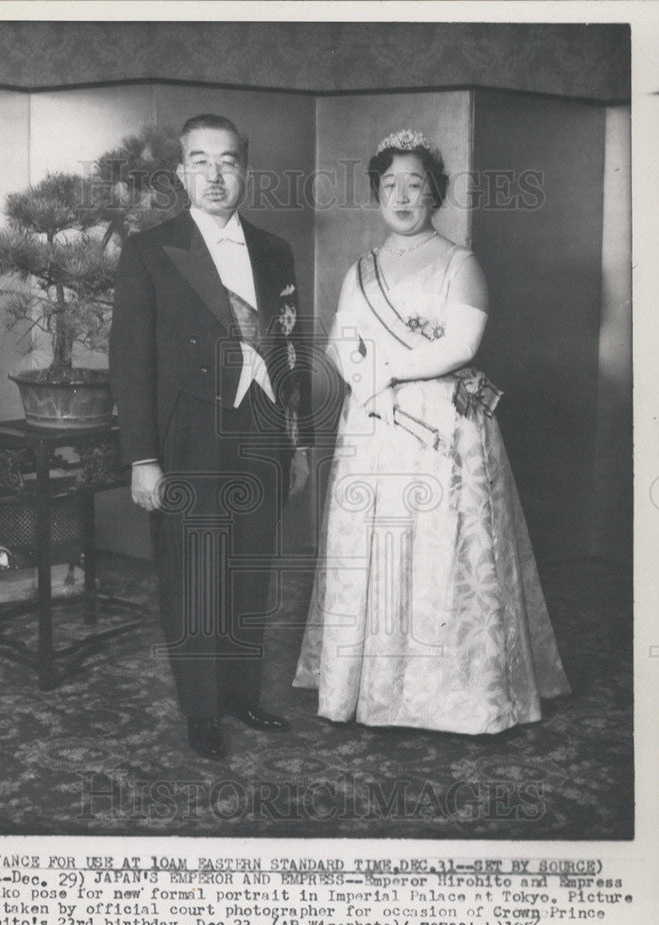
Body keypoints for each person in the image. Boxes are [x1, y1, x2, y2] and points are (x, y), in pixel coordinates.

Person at [293, 128, 570, 734]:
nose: (401, 195)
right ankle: (367, 690)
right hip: (373, 425)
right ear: (376, 194)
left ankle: (450, 695)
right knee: (378, 548)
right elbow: (342, 345)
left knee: (438, 551)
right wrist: (369, 388)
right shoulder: (360, 269)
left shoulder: (459, 263)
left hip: (439, 425)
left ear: (435, 193)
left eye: (415, 184)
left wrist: (384, 374)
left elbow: (461, 344)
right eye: (390, 184)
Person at [110, 114, 311, 760]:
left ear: (245, 170)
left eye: (228, 162)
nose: (215, 175)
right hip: (188, 438)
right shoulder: (150, 250)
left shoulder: (275, 249)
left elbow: (289, 353)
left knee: (249, 571)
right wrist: (143, 458)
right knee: (195, 576)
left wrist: (299, 440)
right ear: (181, 173)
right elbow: (129, 362)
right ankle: (202, 712)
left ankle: (240, 695)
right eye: (201, 162)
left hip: (261, 432)